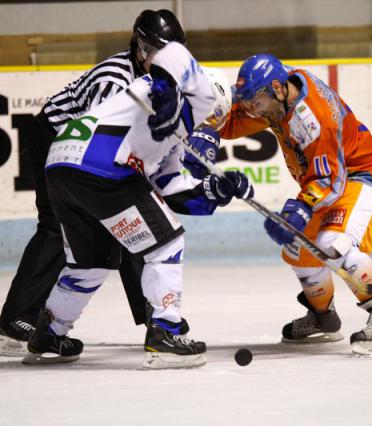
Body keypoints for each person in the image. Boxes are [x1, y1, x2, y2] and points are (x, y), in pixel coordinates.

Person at [22, 42, 254, 368]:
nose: (211, 130)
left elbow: (167, 184)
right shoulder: (195, 89)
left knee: (91, 262)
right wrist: (167, 91)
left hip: (63, 164)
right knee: (167, 242)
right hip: (101, 161)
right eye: (215, 121)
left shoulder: (174, 132)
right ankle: (165, 331)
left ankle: (49, 331)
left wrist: (214, 190)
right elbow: (171, 53)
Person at [0, 9, 192, 357]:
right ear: (140, 49)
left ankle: (152, 315)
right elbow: (98, 147)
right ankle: (16, 319)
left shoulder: (159, 78)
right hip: (58, 142)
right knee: (57, 226)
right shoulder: (115, 80)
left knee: (131, 220)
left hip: (90, 154)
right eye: (159, 52)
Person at [220, 54, 372, 355]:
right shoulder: (277, 92)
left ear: (278, 90)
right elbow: (229, 122)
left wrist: (300, 209)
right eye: (246, 100)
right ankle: (323, 317)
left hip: (364, 176)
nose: (248, 108)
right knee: (298, 249)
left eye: (254, 101)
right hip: (333, 180)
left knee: (333, 243)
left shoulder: (313, 119)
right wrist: (202, 130)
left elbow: (331, 183)